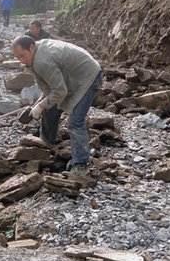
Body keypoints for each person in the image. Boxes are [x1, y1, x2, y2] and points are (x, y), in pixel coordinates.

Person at [11, 36, 102, 175]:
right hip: (73, 76)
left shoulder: (42, 61)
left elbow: (59, 91)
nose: (21, 61)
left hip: (88, 77)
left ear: (31, 47)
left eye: (22, 56)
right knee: (49, 107)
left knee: (75, 122)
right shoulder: (37, 51)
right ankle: (46, 144)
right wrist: (41, 103)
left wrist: (41, 106)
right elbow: (51, 88)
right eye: (18, 58)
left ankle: (81, 164)